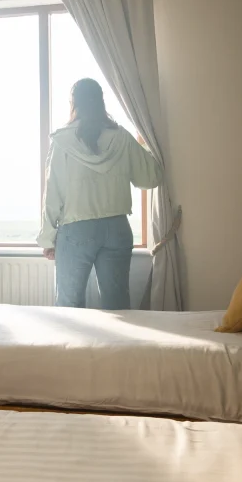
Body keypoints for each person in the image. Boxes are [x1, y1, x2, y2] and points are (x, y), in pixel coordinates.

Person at [38, 78, 163, 310]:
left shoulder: (63, 140)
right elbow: (151, 178)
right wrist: (146, 145)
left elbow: (53, 193)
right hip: (117, 228)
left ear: (74, 103)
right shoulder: (122, 137)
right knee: (118, 306)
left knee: (69, 305)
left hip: (77, 228)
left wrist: (48, 237)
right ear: (100, 101)